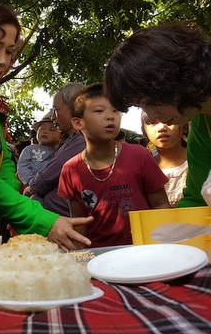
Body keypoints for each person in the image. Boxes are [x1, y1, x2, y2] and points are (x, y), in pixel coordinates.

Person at [0, 1, 92, 250]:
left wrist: (18, 204)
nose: (4, 62)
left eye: (11, 52)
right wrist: (39, 218)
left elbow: (0, 164)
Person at [104, 23, 211, 208]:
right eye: (142, 108)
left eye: (149, 102)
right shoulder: (202, 127)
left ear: (174, 77)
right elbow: (196, 199)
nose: (153, 116)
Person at [58, 84, 170, 247]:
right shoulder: (71, 170)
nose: (110, 117)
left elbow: (161, 205)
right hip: (100, 257)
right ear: (78, 123)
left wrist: (163, 245)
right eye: (99, 111)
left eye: (115, 110)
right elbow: (80, 222)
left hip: (146, 249)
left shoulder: (139, 155)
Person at [24, 83, 87, 217]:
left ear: (74, 107)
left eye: (56, 110)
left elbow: (54, 170)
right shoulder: (71, 140)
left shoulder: (81, 140)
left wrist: (32, 188)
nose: (53, 117)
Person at [141, 112, 188, 207]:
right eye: (152, 123)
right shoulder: (144, 168)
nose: (161, 128)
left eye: (168, 120)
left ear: (185, 127)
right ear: (144, 131)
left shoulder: (197, 161)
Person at [17, 111, 60, 186]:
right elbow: (23, 165)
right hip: (32, 185)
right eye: (42, 128)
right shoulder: (29, 149)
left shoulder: (60, 151)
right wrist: (30, 181)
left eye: (52, 129)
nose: (45, 131)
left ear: (61, 135)